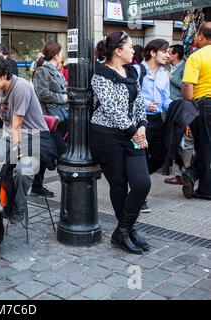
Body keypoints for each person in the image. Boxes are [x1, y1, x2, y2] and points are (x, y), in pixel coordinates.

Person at [0, 55, 58, 243]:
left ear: (4, 75)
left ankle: (16, 209)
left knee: (22, 170)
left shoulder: (21, 87)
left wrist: (18, 152)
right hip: (12, 137)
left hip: (35, 139)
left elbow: (17, 124)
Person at [90, 31, 151, 255]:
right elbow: (112, 109)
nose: (134, 51)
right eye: (130, 47)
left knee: (142, 183)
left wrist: (142, 125)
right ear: (118, 51)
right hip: (106, 136)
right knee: (118, 185)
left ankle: (122, 229)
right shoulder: (100, 75)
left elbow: (139, 101)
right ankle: (127, 230)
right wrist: (135, 132)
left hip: (132, 133)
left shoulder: (132, 71)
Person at [135, 39, 172, 213]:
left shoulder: (165, 74)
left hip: (158, 121)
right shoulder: (137, 70)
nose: (168, 55)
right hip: (140, 123)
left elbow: (165, 100)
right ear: (153, 52)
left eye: (169, 52)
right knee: (140, 158)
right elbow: (130, 95)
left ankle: (137, 180)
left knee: (160, 156)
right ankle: (139, 194)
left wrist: (175, 107)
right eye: (164, 51)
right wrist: (146, 104)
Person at [31, 41, 69, 198]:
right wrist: (64, 97)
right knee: (62, 153)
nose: (62, 56)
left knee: (43, 154)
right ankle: (71, 186)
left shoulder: (56, 70)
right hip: (49, 118)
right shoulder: (42, 71)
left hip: (60, 117)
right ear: (55, 55)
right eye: (60, 53)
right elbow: (43, 94)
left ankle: (37, 185)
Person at [181, 22, 211, 200]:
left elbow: (187, 86)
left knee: (204, 146)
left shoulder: (196, 56)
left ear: (201, 36)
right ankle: (192, 174)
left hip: (203, 104)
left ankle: (205, 188)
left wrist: (188, 108)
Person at [164, 44, 191, 185]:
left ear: (176, 55)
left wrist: (171, 78)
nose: (167, 55)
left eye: (169, 52)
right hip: (167, 106)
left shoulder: (185, 67)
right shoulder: (166, 67)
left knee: (180, 139)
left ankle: (181, 174)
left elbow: (185, 85)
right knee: (170, 137)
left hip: (179, 106)